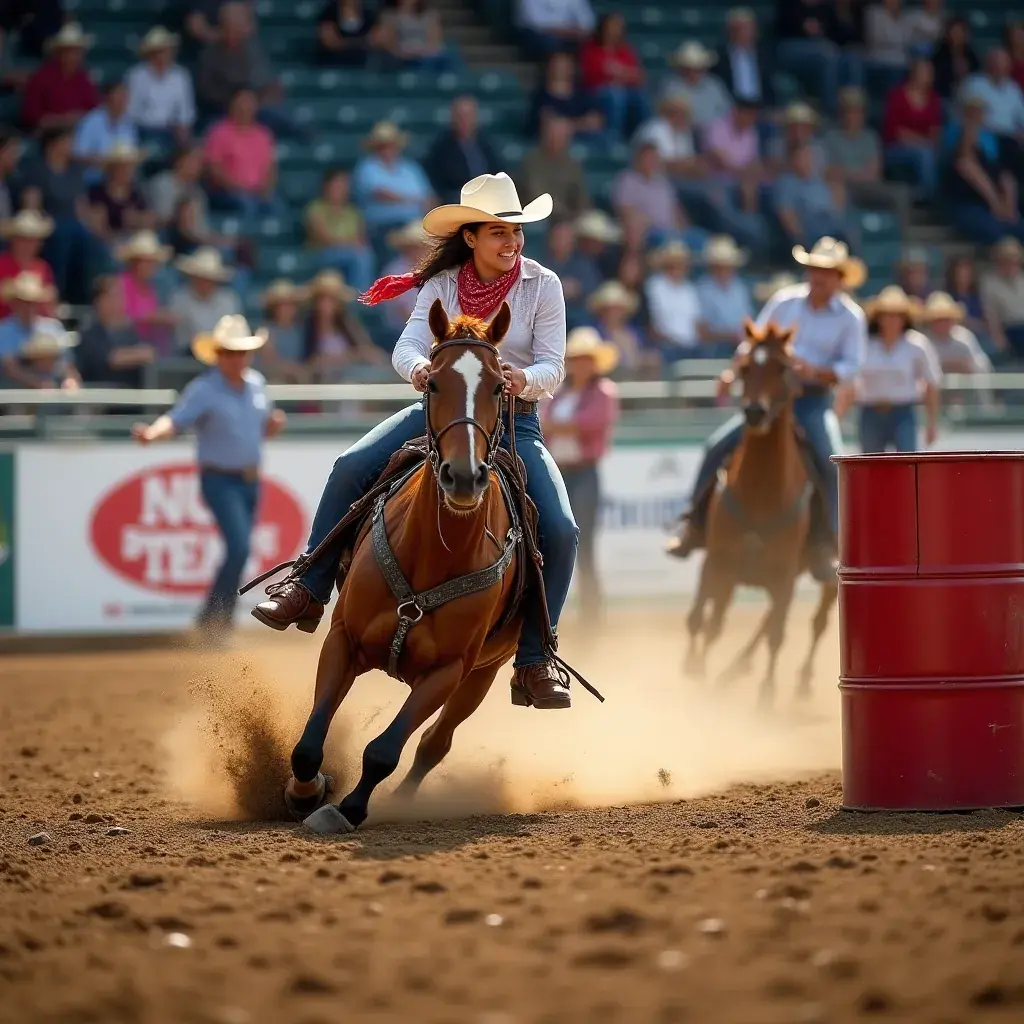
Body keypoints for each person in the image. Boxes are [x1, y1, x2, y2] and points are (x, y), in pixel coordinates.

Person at [252, 171, 581, 709]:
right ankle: (307, 587)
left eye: (516, 231)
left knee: (562, 530)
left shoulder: (542, 284)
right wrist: (422, 371)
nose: (512, 241)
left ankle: (534, 658)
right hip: (443, 411)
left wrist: (524, 378)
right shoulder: (443, 284)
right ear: (470, 237)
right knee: (349, 465)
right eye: (498, 231)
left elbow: (553, 363)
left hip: (514, 419)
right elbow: (404, 348)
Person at [667, 236, 868, 580]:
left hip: (812, 401)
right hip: (770, 401)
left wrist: (815, 372)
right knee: (717, 445)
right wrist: (734, 371)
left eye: (826, 271)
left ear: (839, 278)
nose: (817, 277)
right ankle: (694, 523)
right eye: (813, 270)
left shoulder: (851, 317)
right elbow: (752, 342)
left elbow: (852, 367)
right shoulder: (785, 301)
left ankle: (828, 542)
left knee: (831, 461)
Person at [132, 315, 287, 637]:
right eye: (230, 352)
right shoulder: (204, 389)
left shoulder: (256, 384)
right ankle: (215, 619)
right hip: (220, 479)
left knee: (239, 549)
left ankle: (217, 619)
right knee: (239, 547)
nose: (237, 358)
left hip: (249, 480)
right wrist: (151, 433)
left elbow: (258, 430)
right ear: (218, 355)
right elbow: (175, 420)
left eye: (241, 352)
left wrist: (270, 426)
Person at [541, 326, 619, 619]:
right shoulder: (561, 392)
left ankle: (591, 613)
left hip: (583, 472)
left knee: (583, 546)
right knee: (549, 543)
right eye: (576, 358)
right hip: (559, 472)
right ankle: (551, 613)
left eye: (585, 358)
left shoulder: (603, 392)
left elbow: (590, 423)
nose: (580, 364)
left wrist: (556, 426)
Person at [836, 285, 940, 453]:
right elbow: (851, 382)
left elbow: (931, 383)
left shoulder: (917, 345)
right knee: (871, 465)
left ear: (904, 318)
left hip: (903, 412)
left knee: (906, 465)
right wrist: (839, 414)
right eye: (887, 315)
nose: (891, 320)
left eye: (896, 315)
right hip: (870, 412)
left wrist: (932, 423)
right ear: (879, 318)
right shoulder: (866, 345)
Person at [204, 88, 281, 219]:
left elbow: (271, 168)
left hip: (258, 192)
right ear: (232, 106)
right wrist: (239, 188)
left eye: (249, 103)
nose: (245, 108)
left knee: (277, 206)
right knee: (247, 205)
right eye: (241, 103)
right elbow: (214, 168)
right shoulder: (219, 132)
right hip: (228, 192)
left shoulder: (264, 134)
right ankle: (246, 239)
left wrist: (266, 189)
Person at [301, 269, 387, 381]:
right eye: (322, 299)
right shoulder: (308, 328)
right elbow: (308, 363)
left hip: (350, 379)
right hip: (322, 382)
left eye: (331, 300)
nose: (325, 305)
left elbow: (365, 350)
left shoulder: (347, 324)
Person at [352, 121, 434, 238]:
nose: (387, 150)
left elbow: (428, 197)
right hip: (382, 227)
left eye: (390, 145)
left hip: (414, 225)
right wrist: (411, 200)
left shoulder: (411, 168)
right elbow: (380, 194)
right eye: (382, 146)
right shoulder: (367, 167)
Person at [578, 12, 649, 141]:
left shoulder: (625, 50)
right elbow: (591, 76)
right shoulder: (591, 49)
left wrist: (617, 73)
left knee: (640, 97)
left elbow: (639, 76)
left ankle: (642, 140)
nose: (615, 30)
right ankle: (613, 141)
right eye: (612, 26)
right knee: (615, 95)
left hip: (623, 92)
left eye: (618, 27)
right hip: (594, 93)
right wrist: (622, 74)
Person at [76, 275, 156, 388]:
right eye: (113, 296)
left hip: (131, 399)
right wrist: (136, 355)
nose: (119, 300)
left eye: (120, 295)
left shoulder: (128, 331)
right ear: (99, 301)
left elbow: (149, 354)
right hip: (99, 399)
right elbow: (112, 358)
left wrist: (137, 354)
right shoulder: (89, 330)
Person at [304, 167, 375, 291]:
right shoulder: (316, 208)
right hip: (322, 254)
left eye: (344, 186)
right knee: (360, 257)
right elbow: (324, 239)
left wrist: (350, 243)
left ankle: (359, 295)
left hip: (350, 254)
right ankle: (361, 295)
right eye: (337, 185)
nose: (341, 189)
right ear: (326, 186)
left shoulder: (353, 212)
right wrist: (349, 243)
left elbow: (361, 239)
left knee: (365, 255)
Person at [20, 22, 99, 132]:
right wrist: (62, 120)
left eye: (77, 52)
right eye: (68, 51)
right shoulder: (41, 77)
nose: (73, 56)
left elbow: (95, 112)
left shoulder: (84, 78)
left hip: (80, 134)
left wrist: (79, 118)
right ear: (58, 53)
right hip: (49, 137)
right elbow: (32, 117)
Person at [422, 96, 500, 207]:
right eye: (461, 116)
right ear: (453, 118)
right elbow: (435, 182)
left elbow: (497, 172)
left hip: (486, 200)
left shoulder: (485, 145)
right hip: (455, 203)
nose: (465, 120)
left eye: (468, 116)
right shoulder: (440, 147)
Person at [126, 27, 197, 147]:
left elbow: (186, 112)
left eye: (166, 51)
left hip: (171, 131)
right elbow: (131, 111)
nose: (163, 56)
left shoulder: (181, 76)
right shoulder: (136, 76)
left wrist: (183, 133)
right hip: (142, 130)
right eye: (158, 52)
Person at [882, 57, 942, 198]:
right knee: (924, 154)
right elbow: (897, 133)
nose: (928, 76)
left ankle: (933, 195)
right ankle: (929, 196)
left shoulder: (933, 99)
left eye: (929, 72)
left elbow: (935, 133)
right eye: (924, 72)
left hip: (925, 147)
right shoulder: (897, 95)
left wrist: (925, 142)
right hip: (895, 149)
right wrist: (923, 142)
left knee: (934, 153)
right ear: (913, 73)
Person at [773, 144, 849, 248]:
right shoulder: (787, 183)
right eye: (801, 157)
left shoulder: (819, 180)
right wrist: (800, 237)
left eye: (808, 156)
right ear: (793, 160)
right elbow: (787, 214)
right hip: (809, 232)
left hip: (832, 228)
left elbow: (835, 209)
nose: (806, 160)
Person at [115, 230, 177, 354]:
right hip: (125, 346)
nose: (151, 266)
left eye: (153, 262)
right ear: (134, 262)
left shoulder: (152, 287)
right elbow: (119, 318)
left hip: (150, 348)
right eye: (146, 261)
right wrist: (153, 318)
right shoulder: (121, 283)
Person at [517, 115, 589, 222]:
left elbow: (580, 194)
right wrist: (558, 210)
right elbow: (535, 192)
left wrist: (581, 213)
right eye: (553, 135)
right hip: (536, 214)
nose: (556, 139)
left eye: (561, 136)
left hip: (566, 216)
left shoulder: (571, 163)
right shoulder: (531, 160)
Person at [169, 247, 241, 352]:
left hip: (222, 352)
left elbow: (232, 333)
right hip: (187, 354)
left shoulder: (228, 300)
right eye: (201, 277)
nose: (204, 282)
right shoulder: (179, 298)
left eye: (208, 279)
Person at [0, 272, 64, 388]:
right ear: (14, 303)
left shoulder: (53, 328)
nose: (27, 307)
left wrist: (70, 380)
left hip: (53, 397)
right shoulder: (3, 331)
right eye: (23, 302)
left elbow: (66, 363)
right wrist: (38, 384)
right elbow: (9, 368)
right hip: (13, 399)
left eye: (31, 302)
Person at [72, 79, 138, 185]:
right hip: (95, 178)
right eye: (119, 95)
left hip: (121, 178)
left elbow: (131, 152)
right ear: (107, 98)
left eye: (125, 96)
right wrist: (102, 160)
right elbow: (78, 155)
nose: (123, 100)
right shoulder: (90, 121)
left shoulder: (128, 123)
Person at [696, 234, 753, 355]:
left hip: (741, 344)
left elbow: (748, 321)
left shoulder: (739, 288)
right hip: (715, 348)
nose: (724, 270)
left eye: (727, 266)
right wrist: (731, 336)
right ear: (712, 267)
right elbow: (702, 332)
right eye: (720, 266)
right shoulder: (702, 290)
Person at [644, 240, 700, 356]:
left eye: (681, 264)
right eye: (673, 264)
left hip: (692, 346)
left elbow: (696, 323)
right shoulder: (654, 285)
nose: (677, 268)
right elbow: (652, 323)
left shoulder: (690, 289)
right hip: (665, 345)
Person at [530, 51, 604, 139]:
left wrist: (568, 124)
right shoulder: (541, 96)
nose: (562, 69)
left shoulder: (582, 94)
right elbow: (549, 125)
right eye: (558, 64)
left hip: (582, 139)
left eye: (566, 65)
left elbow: (595, 121)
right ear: (549, 68)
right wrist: (580, 123)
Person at [661, 42, 733, 130]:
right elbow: (670, 118)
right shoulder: (671, 86)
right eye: (688, 69)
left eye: (697, 69)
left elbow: (727, 114)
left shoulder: (715, 86)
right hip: (684, 134)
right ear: (680, 68)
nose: (692, 73)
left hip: (715, 136)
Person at [0, 210, 56, 319]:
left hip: (33, 329)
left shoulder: (43, 268)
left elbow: (49, 306)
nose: (27, 245)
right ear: (13, 240)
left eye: (32, 240)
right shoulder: (1, 264)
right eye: (23, 239)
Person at [716, 7, 776, 109]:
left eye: (745, 28)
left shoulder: (766, 54)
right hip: (731, 109)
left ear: (755, 29)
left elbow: (771, 88)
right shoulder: (720, 57)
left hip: (762, 109)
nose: (741, 33)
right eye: (736, 29)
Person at [919, 290, 991, 374]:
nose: (942, 324)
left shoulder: (964, 338)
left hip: (965, 386)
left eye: (946, 319)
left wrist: (967, 365)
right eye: (938, 320)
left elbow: (984, 368)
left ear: (953, 320)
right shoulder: (922, 342)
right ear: (930, 322)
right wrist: (940, 364)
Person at [376, 0, 453, 71]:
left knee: (447, 56)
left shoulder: (430, 15)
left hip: (425, 54)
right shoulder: (390, 15)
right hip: (401, 55)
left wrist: (420, 50)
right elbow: (387, 41)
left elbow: (435, 40)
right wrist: (402, 51)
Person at [258, 279, 309, 383]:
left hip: (299, 383)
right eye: (282, 305)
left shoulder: (301, 330)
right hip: (273, 383)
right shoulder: (264, 331)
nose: (287, 309)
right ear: (274, 308)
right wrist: (295, 371)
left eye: (290, 304)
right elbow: (270, 362)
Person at [980, 236, 1024, 359]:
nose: (1010, 264)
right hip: (1010, 328)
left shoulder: (1022, 280)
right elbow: (990, 313)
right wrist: (997, 336)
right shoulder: (990, 283)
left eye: (1014, 260)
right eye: (1006, 260)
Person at [516, 0, 596, 59]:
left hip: (571, 36)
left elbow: (588, 22)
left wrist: (569, 32)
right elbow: (537, 24)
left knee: (591, 40)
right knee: (551, 42)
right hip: (538, 37)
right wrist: (570, 30)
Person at [315, 0, 381, 67]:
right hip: (332, 63)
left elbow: (373, 41)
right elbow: (330, 42)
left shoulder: (369, 15)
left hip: (362, 64)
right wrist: (359, 42)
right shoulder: (329, 13)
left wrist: (344, 42)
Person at [932, 14, 979, 99]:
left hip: (969, 97)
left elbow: (977, 77)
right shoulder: (939, 55)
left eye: (959, 31)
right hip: (946, 96)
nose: (956, 35)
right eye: (953, 31)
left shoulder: (972, 56)